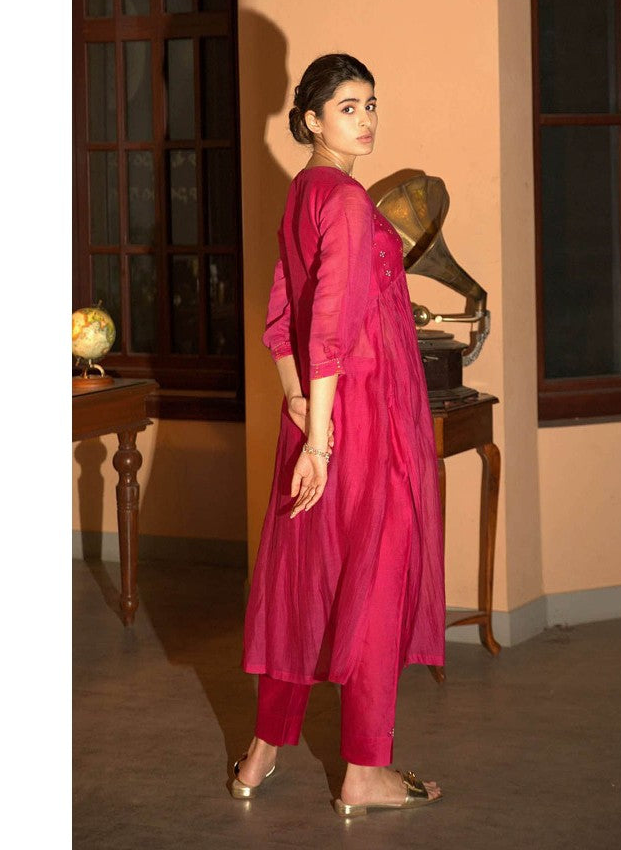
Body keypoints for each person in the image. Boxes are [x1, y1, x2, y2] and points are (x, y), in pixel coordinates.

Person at [230, 53, 446, 817]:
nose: (366, 119)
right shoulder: (347, 200)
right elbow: (324, 327)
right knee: (374, 584)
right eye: (348, 107)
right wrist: (322, 444)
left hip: (317, 411)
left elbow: (279, 317)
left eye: (371, 104)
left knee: (304, 583)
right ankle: (364, 771)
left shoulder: (305, 192)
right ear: (312, 120)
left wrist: (298, 407)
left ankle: (260, 756)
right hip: (364, 421)